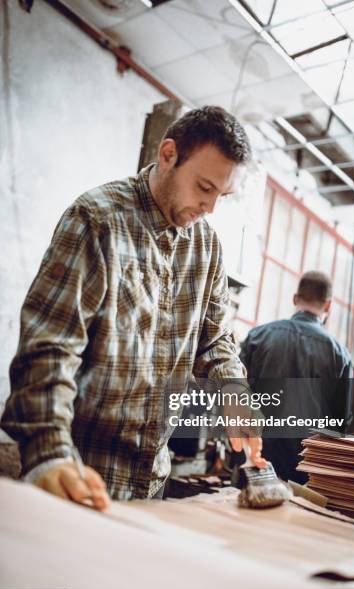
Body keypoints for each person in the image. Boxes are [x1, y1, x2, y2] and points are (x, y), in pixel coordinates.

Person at [1, 105, 266, 510]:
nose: (210, 208)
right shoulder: (98, 219)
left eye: (221, 196)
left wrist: (233, 391)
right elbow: (50, 347)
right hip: (80, 473)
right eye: (204, 188)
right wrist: (49, 453)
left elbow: (214, 341)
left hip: (151, 480)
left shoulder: (207, 247)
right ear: (168, 155)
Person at [240, 271, 353, 483]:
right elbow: (340, 423)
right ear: (328, 306)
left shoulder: (258, 336)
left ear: (295, 299)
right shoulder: (340, 354)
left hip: (254, 458)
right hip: (304, 468)